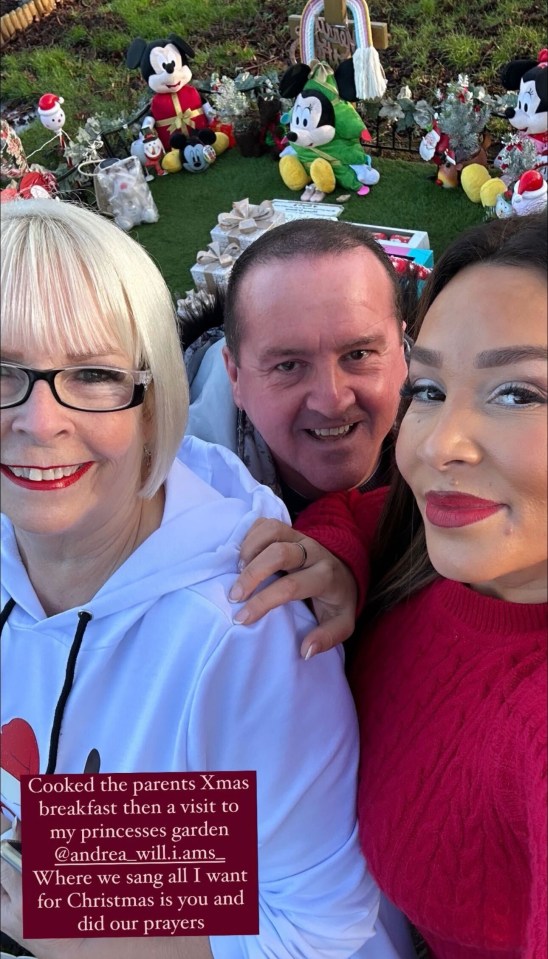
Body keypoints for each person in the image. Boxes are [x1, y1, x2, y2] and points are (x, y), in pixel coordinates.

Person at [1, 198, 390, 959]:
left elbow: (316, 926)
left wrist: (67, 910)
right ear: (233, 378)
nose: (40, 420)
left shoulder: (245, 623)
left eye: (92, 373)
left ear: (152, 401)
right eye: (0, 370)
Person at [228, 213, 548, 958]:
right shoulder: (436, 540)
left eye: (518, 394)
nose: (439, 443)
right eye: (433, 388)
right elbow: (361, 509)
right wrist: (335, 553)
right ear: (232, 378)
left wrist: (76, 912)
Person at [184, 218, 410, 520]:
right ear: (235, 376)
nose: (331, 402)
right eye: (288, 366)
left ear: (402, 355)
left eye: (358, 354)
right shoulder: (177, 497)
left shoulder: (473, 443)